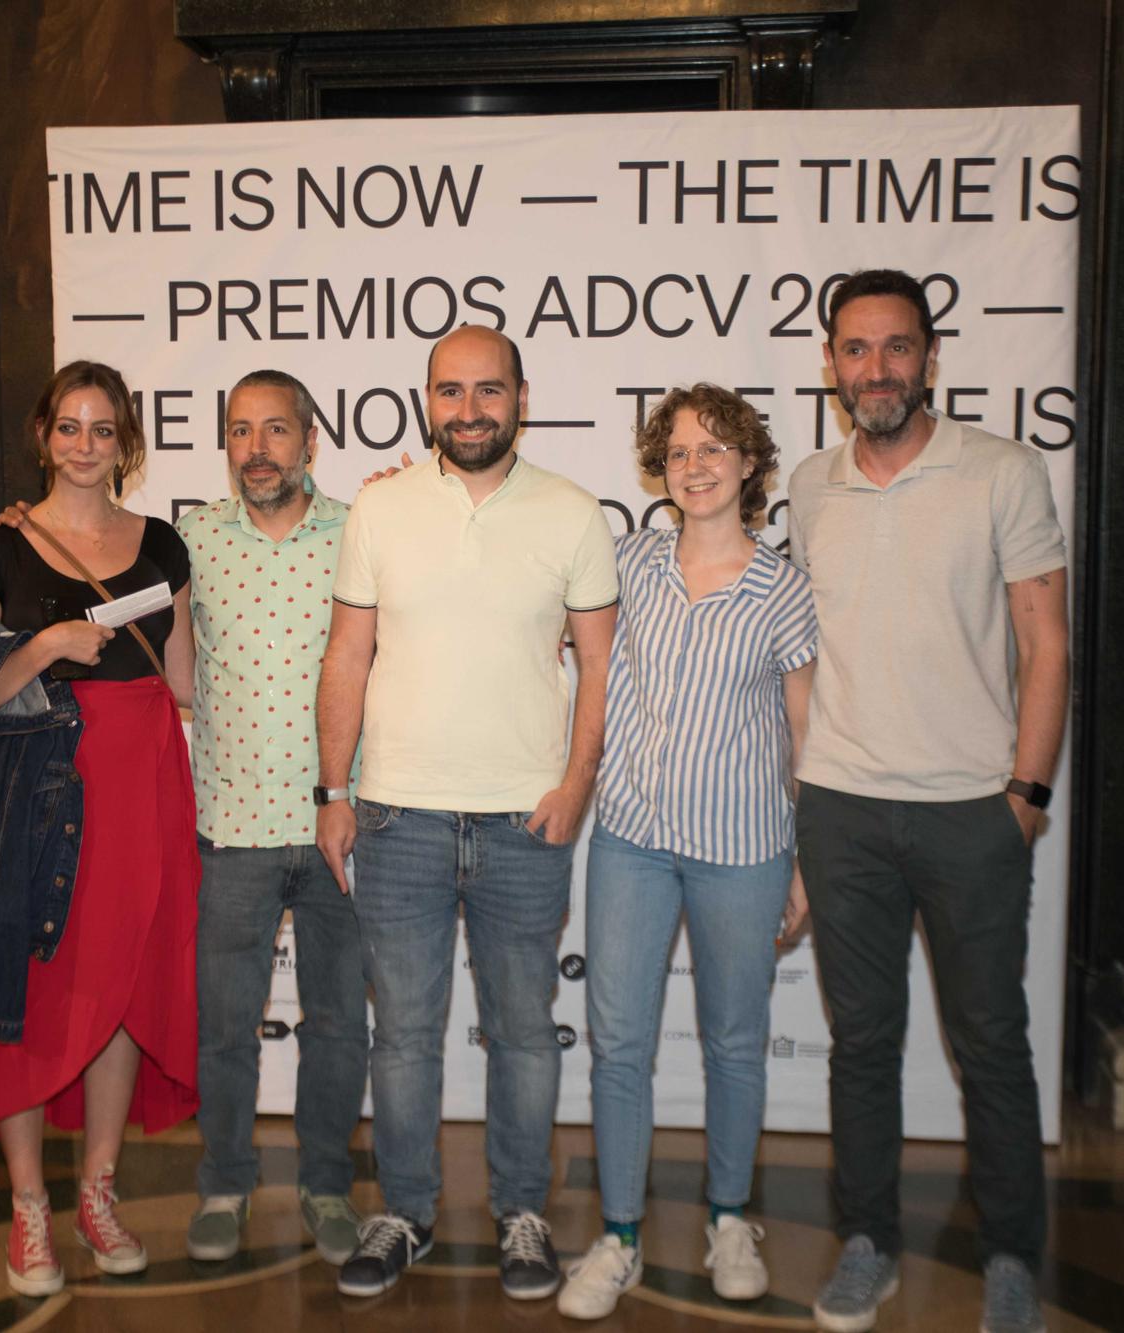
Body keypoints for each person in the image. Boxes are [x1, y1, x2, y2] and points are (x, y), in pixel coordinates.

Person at [786, 270, 1069, 1333]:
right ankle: (866, 1240)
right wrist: (806, 785)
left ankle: (1008, 1257)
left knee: (987, 1039)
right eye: (854, 351)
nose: (875, 369)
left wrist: (1025, 794)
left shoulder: (1000, 471)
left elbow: (1044, 640)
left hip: (969, 811)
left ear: (929, 360)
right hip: (844, 810)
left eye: (895, 348)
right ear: (829, 366)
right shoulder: (810, 486)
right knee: (860, 1042)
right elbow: (802, 653)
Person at [315, 324, 620, 1300]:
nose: (469, 409)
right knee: (401, 1035)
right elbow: (345, 657)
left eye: (488, 391)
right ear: (426, 401)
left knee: (523, 1032)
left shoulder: (572, 514)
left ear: (520, 399)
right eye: (450, 391)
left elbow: (602, 666)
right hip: (396, 816)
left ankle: (521, 1215)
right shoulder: (379, 509)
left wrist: (576, 782)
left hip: (523, 822)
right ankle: (404, 1211)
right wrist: (330, 790)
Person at [0, 361, 200, 1298]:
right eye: (69, 427)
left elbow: (186, 681)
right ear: (44, 436)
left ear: (127, 443)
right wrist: (41, 645)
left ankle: (99, 1192)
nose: (84, 445)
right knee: (27, 990)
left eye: (102, 429)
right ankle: (29, 1207)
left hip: (140, 792)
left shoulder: (162, 545)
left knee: (118, 989)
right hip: (30, 798)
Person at [557, 384, 819, 1320]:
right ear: (658, 471)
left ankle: (727, 1219)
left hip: (743, 847)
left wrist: (803, 862)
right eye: (677, 452)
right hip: (629, 838)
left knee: (735, 1043)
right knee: (619, 1044)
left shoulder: (783, 588)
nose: (696, 465)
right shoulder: (626, 563)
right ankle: (620, 1234)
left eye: (715, 449)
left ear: (750, 463)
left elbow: (804, 733)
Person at [174, 371, 368, 1266]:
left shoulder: (363, 532)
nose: (257, 448)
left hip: (342, 823)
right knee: (224, 1025)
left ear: (310, 441)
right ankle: (225, 1182)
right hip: (232, 829)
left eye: (276, 430)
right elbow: (92, 572)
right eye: (241, 431)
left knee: (337, 1022)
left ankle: (327, 1182)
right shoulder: (190, 539)